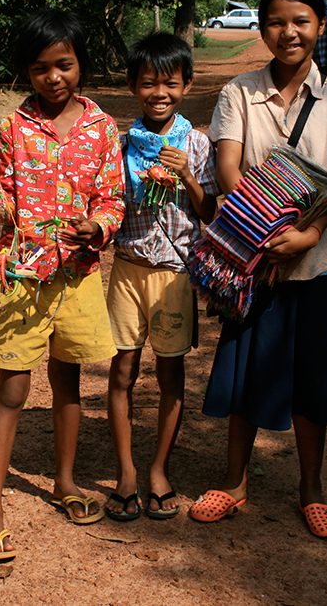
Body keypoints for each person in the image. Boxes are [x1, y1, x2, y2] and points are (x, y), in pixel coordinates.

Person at [189, 0, 327, 539]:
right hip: (253, 259)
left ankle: (312, 488)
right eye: (276, 21)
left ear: (320, 26)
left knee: (314, 380)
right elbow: (227, 167)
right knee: (245, 371)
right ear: (263, 27)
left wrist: (309, 236)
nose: (287, 32)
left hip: (315, 263)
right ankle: (234, 481)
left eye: (300, 21)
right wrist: (260, 230)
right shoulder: (238, 93)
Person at [0, 9, 126, 560]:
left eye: (64, 64)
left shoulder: (103, 129)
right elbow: (1, 210)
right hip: (22, 277)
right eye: (40, 69)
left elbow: (114, 200)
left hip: (78, 277)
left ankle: (64, 482)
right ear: (27, 74)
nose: (53, 77)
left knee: (68, 383)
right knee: (11, 389)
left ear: (80, 64)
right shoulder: (13, 127)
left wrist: (97, 227)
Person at [103, 33, 218, 522]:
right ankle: (127, 471)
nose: (159, 93)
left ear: (186, 86)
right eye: (148, 83)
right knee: (122, 372)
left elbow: (210, 211)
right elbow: (105, 204)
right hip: (127, 270)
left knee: (171, 373)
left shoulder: (196, 143)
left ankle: (159, 470)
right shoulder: (120, 144)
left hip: (174, 275)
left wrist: (188, 176)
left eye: (169, 83)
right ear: (133, 87)